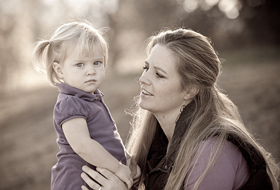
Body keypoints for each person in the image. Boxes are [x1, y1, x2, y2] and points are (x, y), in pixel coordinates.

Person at [81, 28, 279, 190]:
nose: (143, 79)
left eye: (158, 74)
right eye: (146, 68)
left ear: (190, 90)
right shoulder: (157, 144)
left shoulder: (211, 151)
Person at [32, 21, 136, 190]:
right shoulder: (70, 103)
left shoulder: (90, 98)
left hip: (97, 177)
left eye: (97, 62)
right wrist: (117, 168)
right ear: (59, 70)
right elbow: (83, 145)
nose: (90, 71)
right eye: (80, 64)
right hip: (77, 180)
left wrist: (125, 158)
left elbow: (106, 137)